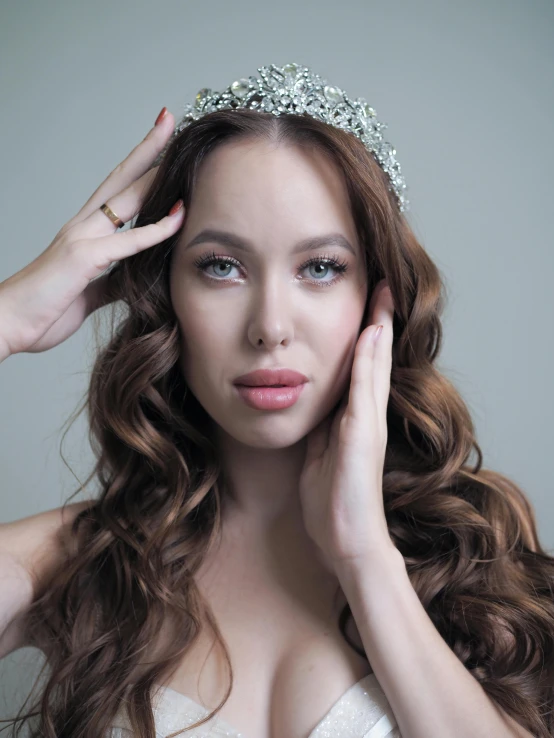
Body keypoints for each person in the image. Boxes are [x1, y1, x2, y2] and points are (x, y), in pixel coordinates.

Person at [0, 62, 552, 738]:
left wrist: (364, 558)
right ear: (163, 292)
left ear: (378, 295)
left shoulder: (469, 555)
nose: (270, 326)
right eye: (221, 267)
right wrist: (8, 319)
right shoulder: (70, 566)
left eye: (320, 268)